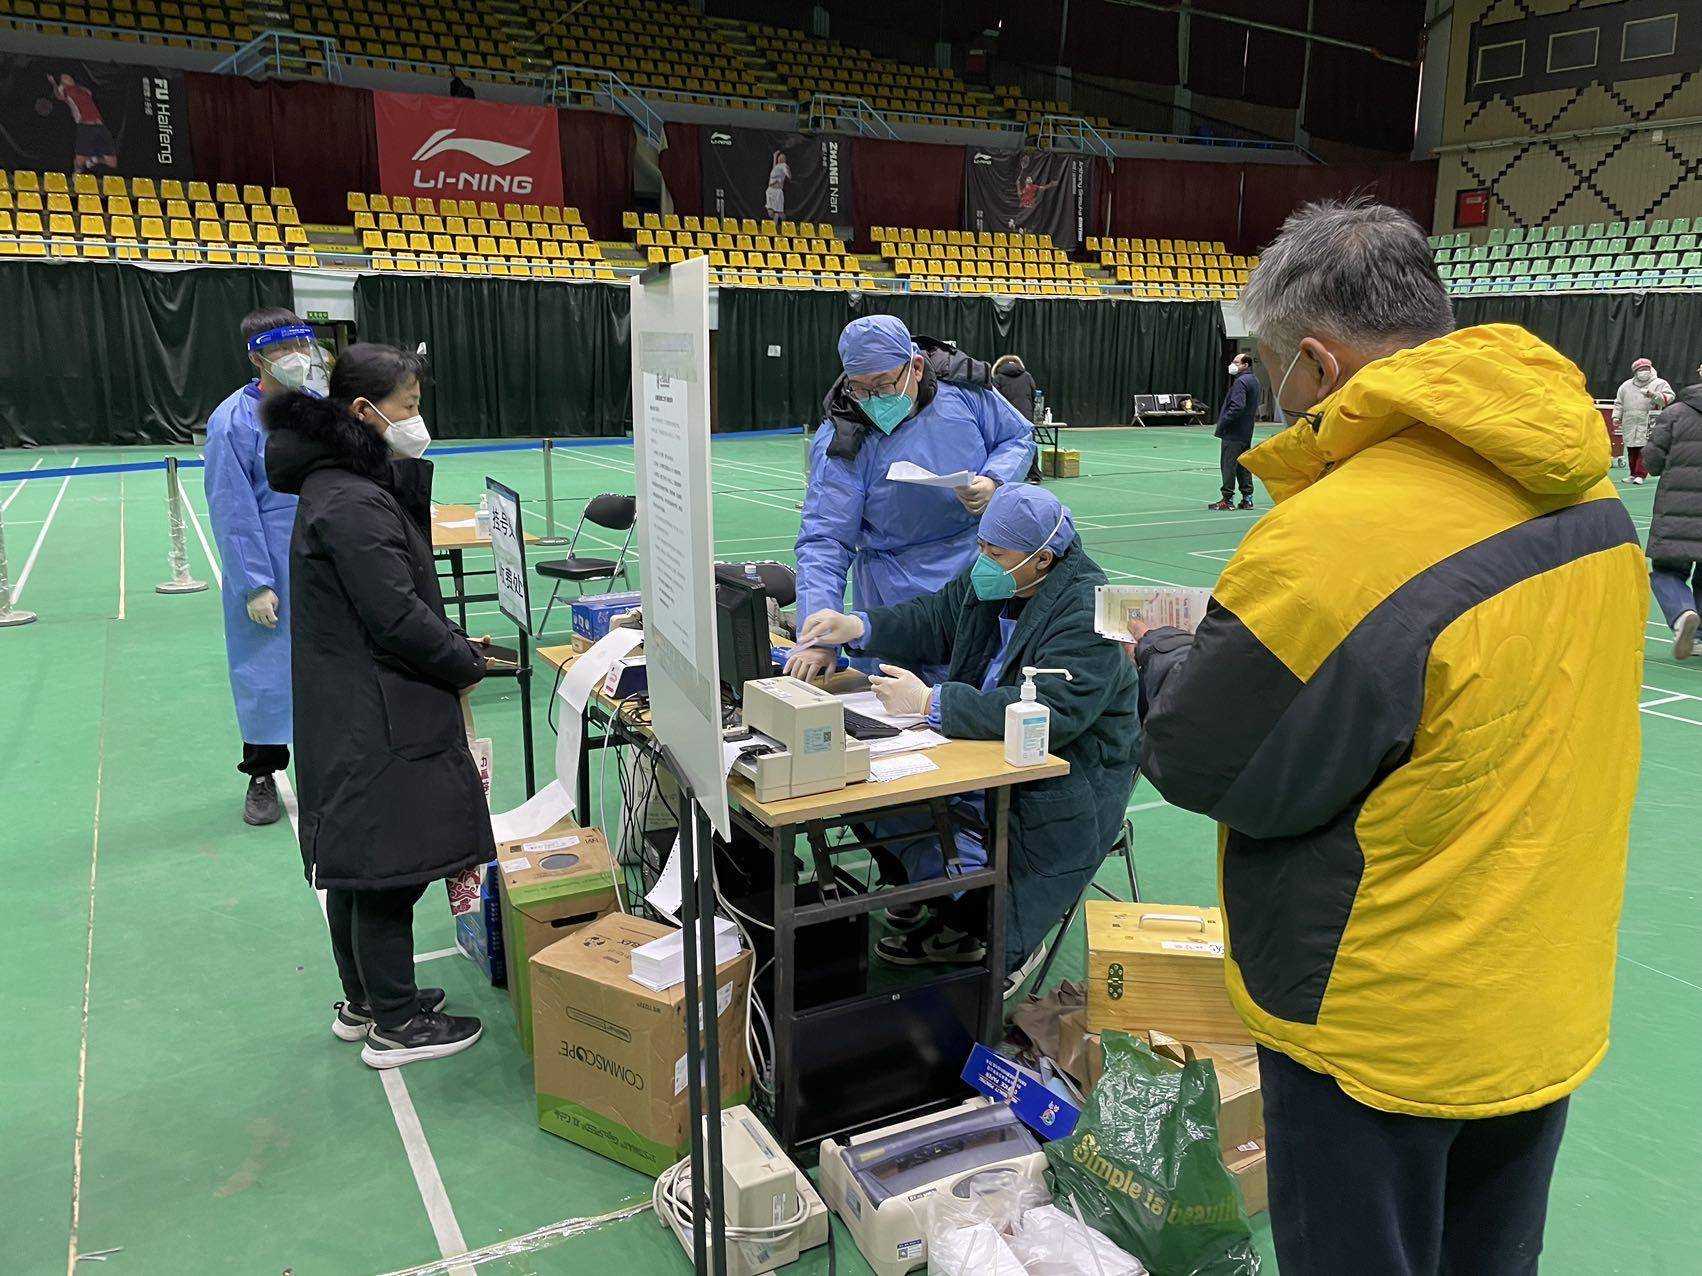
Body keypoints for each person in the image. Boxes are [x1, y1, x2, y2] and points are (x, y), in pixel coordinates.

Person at [1127, 201, 1645, 1275]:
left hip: (1382, 1019)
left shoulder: (1331, 540)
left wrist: (1160, 658)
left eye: (1272, 366)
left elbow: (1207, 757)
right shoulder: (1589, 491)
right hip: (1536, 986)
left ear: (1315, 364)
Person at [797, 484, 1140, 977]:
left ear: (1042, 560)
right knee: (870, 792)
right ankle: (937, 893)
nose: (982, 559)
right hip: (984, 741)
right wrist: (856, 626)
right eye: (979, 546)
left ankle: (976, 926)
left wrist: (933, 702)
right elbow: (935, 618)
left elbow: (1054, 711)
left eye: (994, 552)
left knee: (940, 812)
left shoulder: (1089, 610)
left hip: (1071, 772)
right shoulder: (1001, 578)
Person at [263, 344, 493, 1069]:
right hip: (377, 710)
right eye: (409, 407)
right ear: (365, 412)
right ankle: (396, 1022)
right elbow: (395, 615)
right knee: (388, 867)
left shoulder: (337, 485)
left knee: (358, 862)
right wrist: (464, 661)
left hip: (351, 702)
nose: (417, 420)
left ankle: (367, 997)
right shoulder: (353, 500)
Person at [786, 314, 1034, 683]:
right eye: (861, 389)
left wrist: (995, 480)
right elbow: (824, 541)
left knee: (983, 687)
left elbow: (1017, 437)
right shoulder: (844, 442)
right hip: (894, 590)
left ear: (916, 367)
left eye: (885, 385)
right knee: (897, 706)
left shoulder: (966, 395)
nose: (873, 400)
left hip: (976, 572)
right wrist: (817, 638)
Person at [204, 309, 318, 826]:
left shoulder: (316, 406)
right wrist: (254, 584)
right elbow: (232, 506)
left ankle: (327, 770)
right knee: (265, 668)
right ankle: (262, 773)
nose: (297, 356)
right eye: (284, 346)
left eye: (303, 342)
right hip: (268, 555)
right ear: (258, 356)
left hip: (321, 551)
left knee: (328, 662)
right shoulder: (232, 420)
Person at [1643, 366, 1702, 658]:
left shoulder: (1675, 413)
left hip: (1676, 510)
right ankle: (1700, 638)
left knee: (1667, 571)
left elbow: (1652, 461)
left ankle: (1682, 614)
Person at [1209, 351, 1259, 510]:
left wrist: (1223, 422)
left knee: (1228, 465)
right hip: (1246, 432)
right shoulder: (1254, 380)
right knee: (1243, 465)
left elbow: (1237, 406)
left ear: (1245, 365)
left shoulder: (1241, 382)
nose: (1233, 365)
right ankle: (1247, 498)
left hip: (1233, 432)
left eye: (1236, 363)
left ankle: (1227, 499)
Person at [1612, 356, 1673, 485]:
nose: (1643, 371)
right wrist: (1616, 416)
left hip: (1648, 420)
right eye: (1640, 369)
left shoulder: (1659, 383)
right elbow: (1619, 403)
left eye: (1646, 368)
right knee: (1631, 448)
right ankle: (1632, 473)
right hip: (1630, 420)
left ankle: (1641, 474)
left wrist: (1653, 395)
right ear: (1635, 372)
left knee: (1643, 449)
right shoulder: (1626, 386)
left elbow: (1669, 397)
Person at [50, 72, 117, 173]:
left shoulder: (82, 90)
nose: (69, 78)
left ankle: (95, 160)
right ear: (62, 82)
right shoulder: (64, 89)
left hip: (100, 125)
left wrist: (76, 86)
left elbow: (89, 93)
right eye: (65, 78)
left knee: (112, 163)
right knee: (80, 161)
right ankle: (76, 176)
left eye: (69, 76)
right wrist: (53, 83)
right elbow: (59, 96)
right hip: (86, 126)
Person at [765, 149, 790, 218]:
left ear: (784, 159)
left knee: (779, 212)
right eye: (779, 157)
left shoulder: (784, 166)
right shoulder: (776, 167)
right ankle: (775, 225)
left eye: (781, 158)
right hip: (770, 190)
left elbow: (788, 175)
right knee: (770, 212)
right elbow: (774, 167)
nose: (780, 159)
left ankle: (786, 225)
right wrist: (774, 156)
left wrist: (787, 173)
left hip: (777, 191)